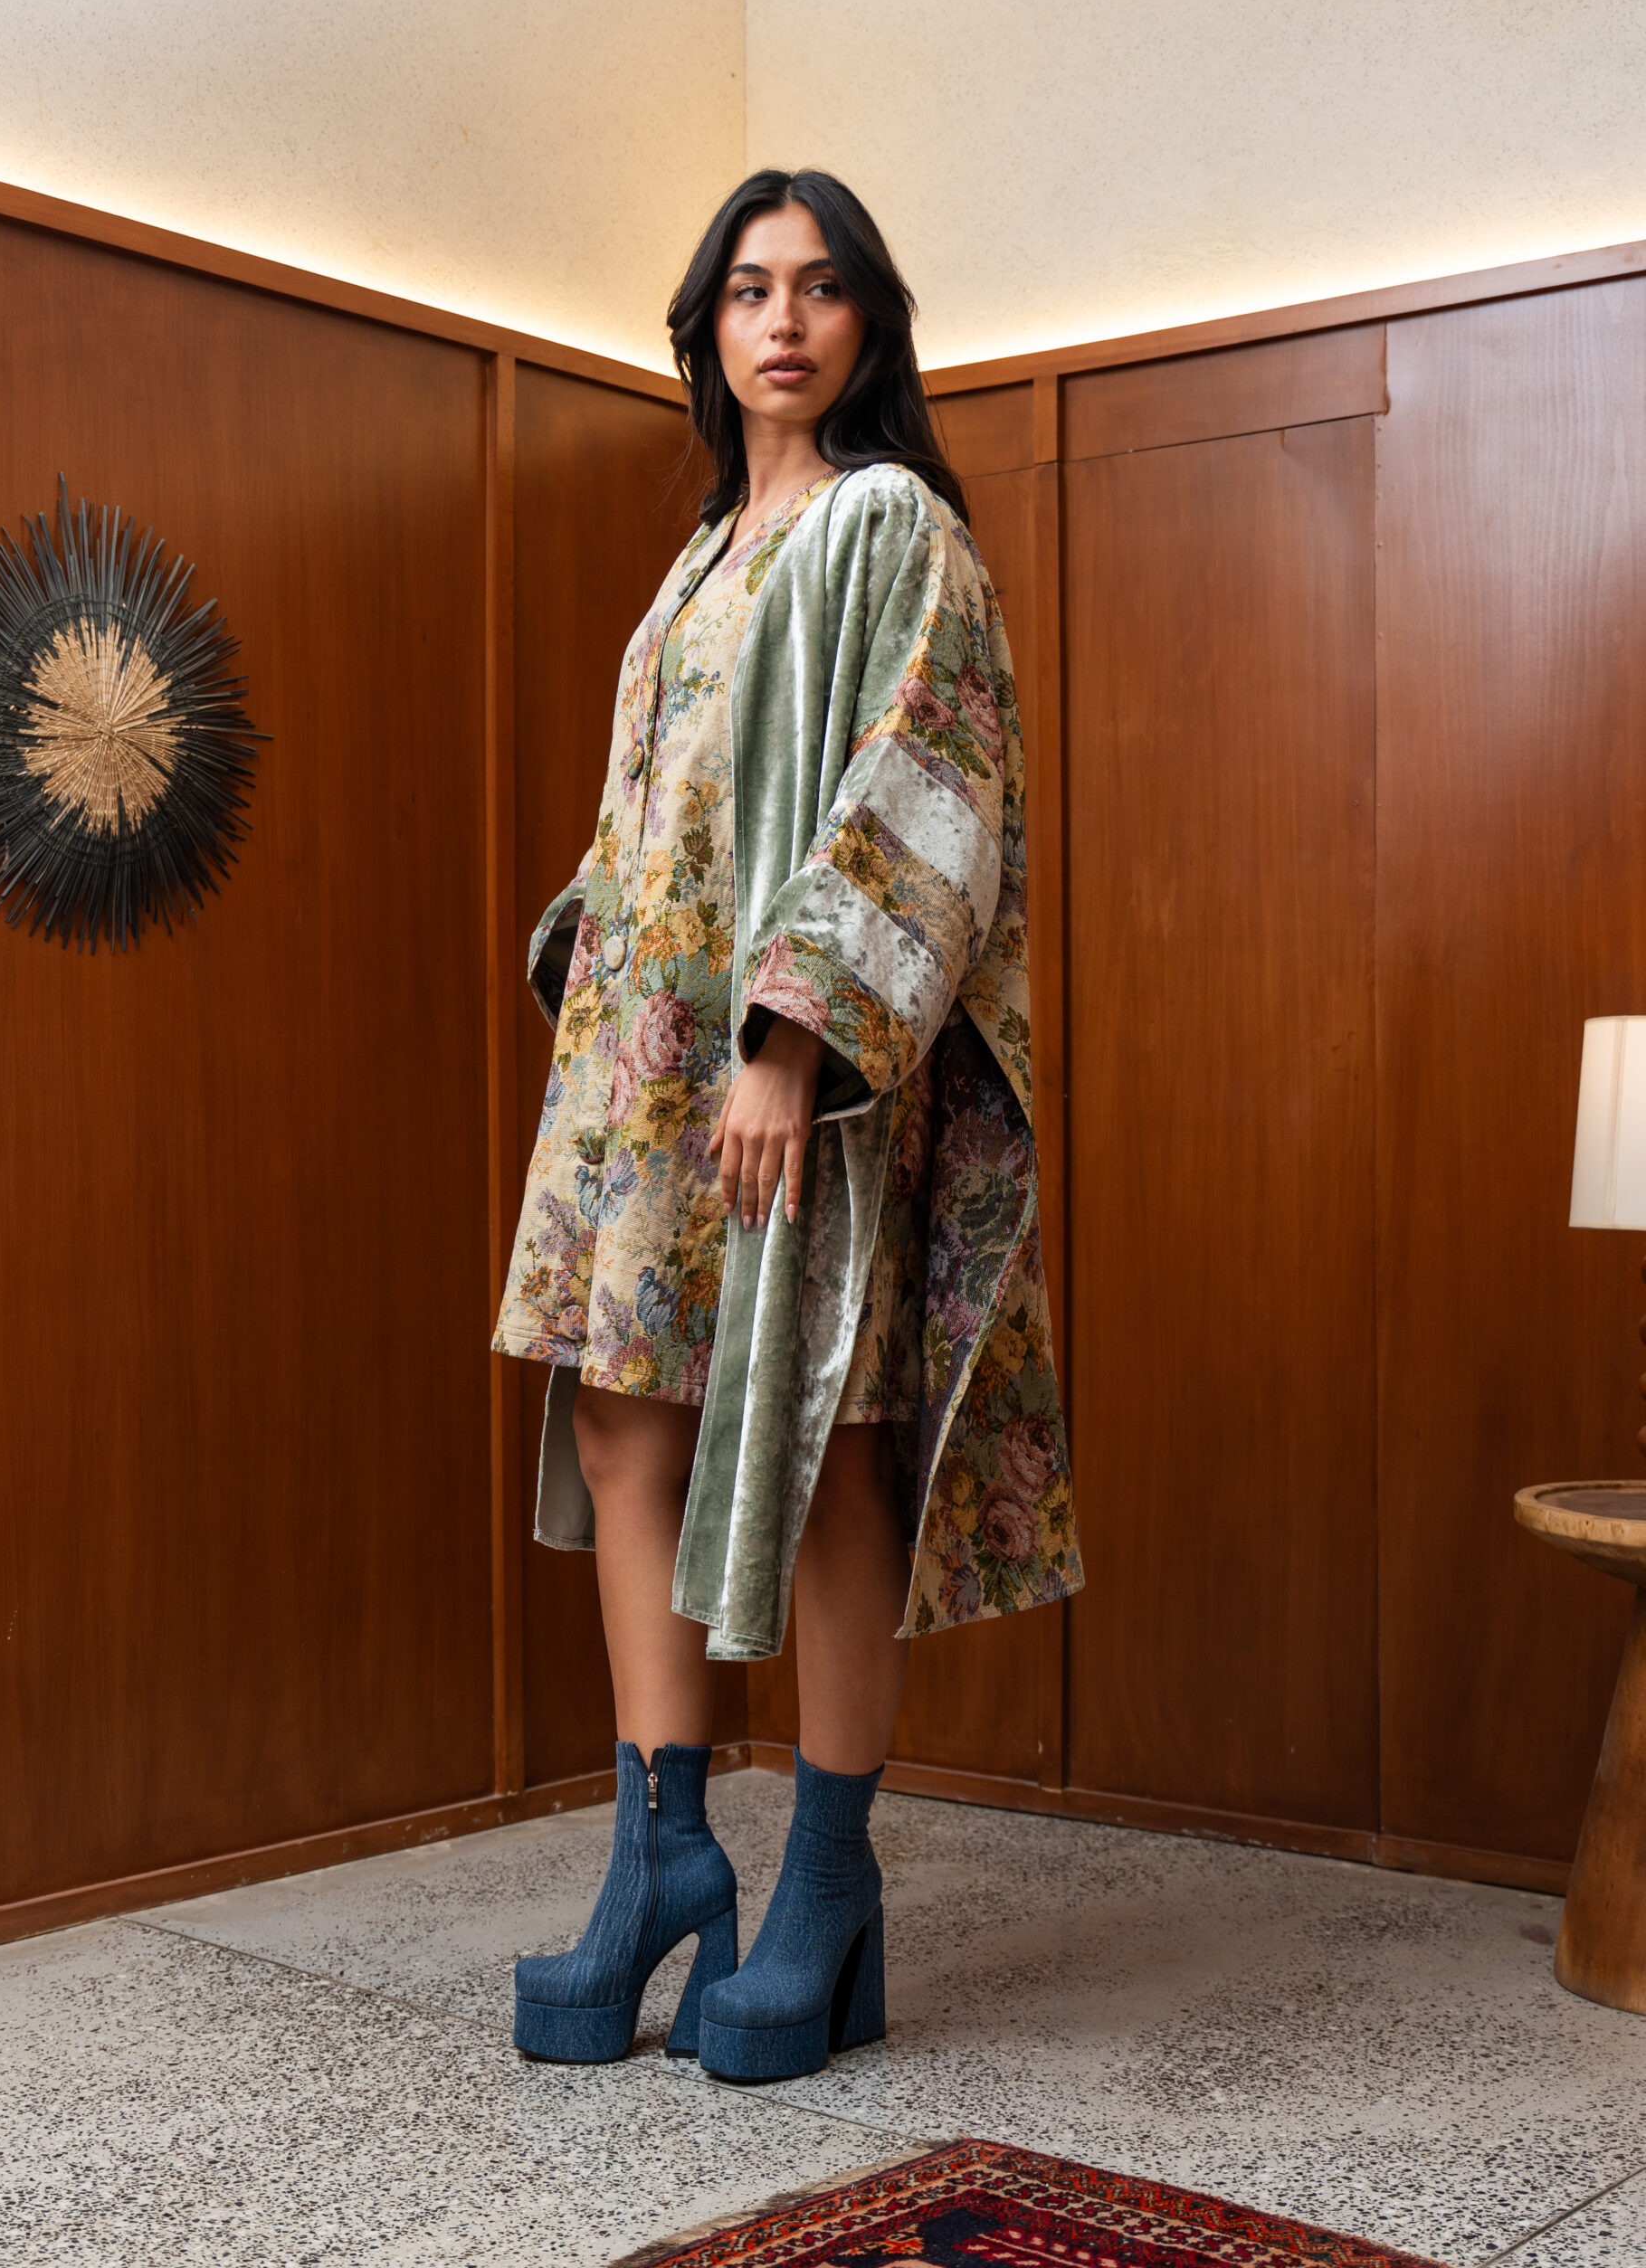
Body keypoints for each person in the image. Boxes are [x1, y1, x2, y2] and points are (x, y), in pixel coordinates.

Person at [491, 168, 1081, 2083]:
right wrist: (595, 975)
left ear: (867, 323)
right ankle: (662, 1852)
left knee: (829, 1438)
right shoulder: (696, 559)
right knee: (622, 1414)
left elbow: (932, 790)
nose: (783, 321)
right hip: (639, 1071)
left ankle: (827, 1879)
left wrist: (789, 1041)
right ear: (708, 325)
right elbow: (653, 816)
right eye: (749, 289)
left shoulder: (889, 526)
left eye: (821, 289)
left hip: (786, 1076)